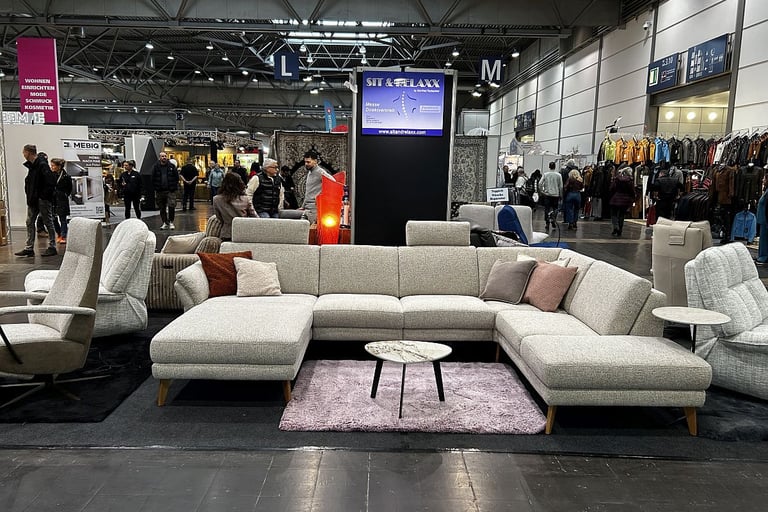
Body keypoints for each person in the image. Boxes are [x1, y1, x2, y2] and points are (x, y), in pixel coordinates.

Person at [16, 144, 57, 257]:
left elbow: (50, 183)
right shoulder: (33, 166)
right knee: (29, 222)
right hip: (33, 200)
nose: (23, 154)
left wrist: (43, 197)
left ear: (28, 153)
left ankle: (52, 246)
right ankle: (29, 248)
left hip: (42, 200)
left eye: (24, 152)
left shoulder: (42, 165)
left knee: (48, 221)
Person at [213, 172, 256, 241]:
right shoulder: (245, 199)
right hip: (243, 232)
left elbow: (219, 217)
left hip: (226, 233)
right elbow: (254, 216)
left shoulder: (216, 199)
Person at [300, 149, 335, 224]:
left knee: (310, 229)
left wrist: (322, 198)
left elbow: (333, 182)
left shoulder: (320, 172)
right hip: (307, 208)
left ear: (315, 161)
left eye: (308, 162)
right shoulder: (310, 172)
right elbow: (308, 191)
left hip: (314, 208)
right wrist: (303, 206)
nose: (306, 164)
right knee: (302, 227)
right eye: (305, 162)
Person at [152, 151, 179, 230]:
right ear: (159, 157)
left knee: (171, 206)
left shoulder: (171, 166)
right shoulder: (156, 167)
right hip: (160, 190)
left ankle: (171, 221)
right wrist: (156, 187)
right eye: (162, 156)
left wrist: (173, 187)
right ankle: (165, 222)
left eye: (165, 156)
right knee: (162, 207)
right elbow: (153, 178)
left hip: (170, 190)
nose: (164, 157)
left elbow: (176, 177)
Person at [609, 165, 637, 237]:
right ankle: (619, 230)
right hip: (625, 200)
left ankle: (616, 226)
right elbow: (632, 191)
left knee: (614, 214)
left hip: (616, 198)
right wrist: (633, 198)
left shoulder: (617, 179)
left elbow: (612, 188)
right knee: (621, 215)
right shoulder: (629, 181)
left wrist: (612, 195)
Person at [49, 158, 72, 245]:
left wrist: (64, 194)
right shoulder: (50, 175)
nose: (52, 167)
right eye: (51, 165)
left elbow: (69, 189)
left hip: (62, 199)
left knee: (63, 219)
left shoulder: (66, 177)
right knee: (53, 218)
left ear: (59, 166)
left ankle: (63, 236)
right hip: (53, 199)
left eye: (53, 165)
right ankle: (59, 233)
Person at [539, 161, 563, 231]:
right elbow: (561, 186)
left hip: (547, 194)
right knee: (555, 208)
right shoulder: (559, 175)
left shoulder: (545, 174)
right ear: (555, 167)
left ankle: (547, 223)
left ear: (549, 166)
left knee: (547, 209)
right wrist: (561, 195)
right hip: (556, 194)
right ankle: (553, 219)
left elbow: (540, 183)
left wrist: (542, 191)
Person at [756, 174, 768, 265]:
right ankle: (762, 256)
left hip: (765, 219)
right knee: (763, 239)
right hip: (763, 219)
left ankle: (764, 257)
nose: (763, 180)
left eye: (764, 179)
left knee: (765, 240)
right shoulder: (766, 191)